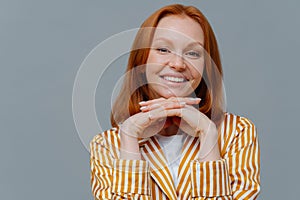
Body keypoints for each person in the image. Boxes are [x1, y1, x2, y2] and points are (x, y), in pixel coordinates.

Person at [90, 4, 260, 200]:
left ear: (206, 67)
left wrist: (208, 134)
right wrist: (129, 140)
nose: (178, 64)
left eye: (193, 53)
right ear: (141, 61)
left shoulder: (237, 133)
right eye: (163, 49)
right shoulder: (107, 145)